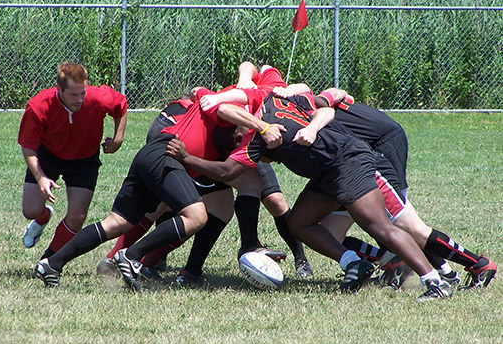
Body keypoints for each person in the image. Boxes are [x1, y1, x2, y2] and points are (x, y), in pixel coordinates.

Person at [166, 92, 455, 301]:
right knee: (299, 222)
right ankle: (355, 263)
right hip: (327, 171)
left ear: (243, 118)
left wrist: (187, 157)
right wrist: (311, 126)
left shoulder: (256, 138)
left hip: (348, 162)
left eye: (233, 130)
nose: (233, 137)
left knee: (380, 226)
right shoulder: (276, 100)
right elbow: (323, 107)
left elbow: (228, 172)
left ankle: (434, 281)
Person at [34, 86, 285, 289]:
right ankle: (131, 256)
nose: (244, 138)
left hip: (161, 157)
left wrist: (192, 158)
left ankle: (51, 264)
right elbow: (224, 106)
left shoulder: (246, 142)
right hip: (163, 152)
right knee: (197, 215)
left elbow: (227, 171)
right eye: (247, 131)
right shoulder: (229, 108)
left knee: (116, 222)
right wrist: (261, 126)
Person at [98, 62, 315, 284]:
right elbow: (250, 69)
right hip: (180, 126)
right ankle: (120, 258)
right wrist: (245, 85)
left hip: (235, 145)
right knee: (168, 203)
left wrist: (293, 92)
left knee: (244, 199)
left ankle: (188, 266)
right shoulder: (267, 90)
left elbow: (309, 92)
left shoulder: (294, 107)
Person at [311, 93, 497, 290]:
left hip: (372, 158)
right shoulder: (296, 107)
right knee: (329, 234)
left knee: (408, 227)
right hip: (347, 169)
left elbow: (328, 97)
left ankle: (469, 267)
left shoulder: (302, 103)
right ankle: (392, 260)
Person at [18, 62, 128, 260]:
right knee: (30, 210)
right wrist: (41, 177)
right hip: (48, 155)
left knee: (77, 217)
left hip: (84, 159)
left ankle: (49, 260)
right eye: (73, 95)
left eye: (82, 93)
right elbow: (28, 146)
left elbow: (121, 106)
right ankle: (43, 217)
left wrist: (118, 140)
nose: (79, 100)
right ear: (59, 89)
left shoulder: (98, 97)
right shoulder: (39, 106)